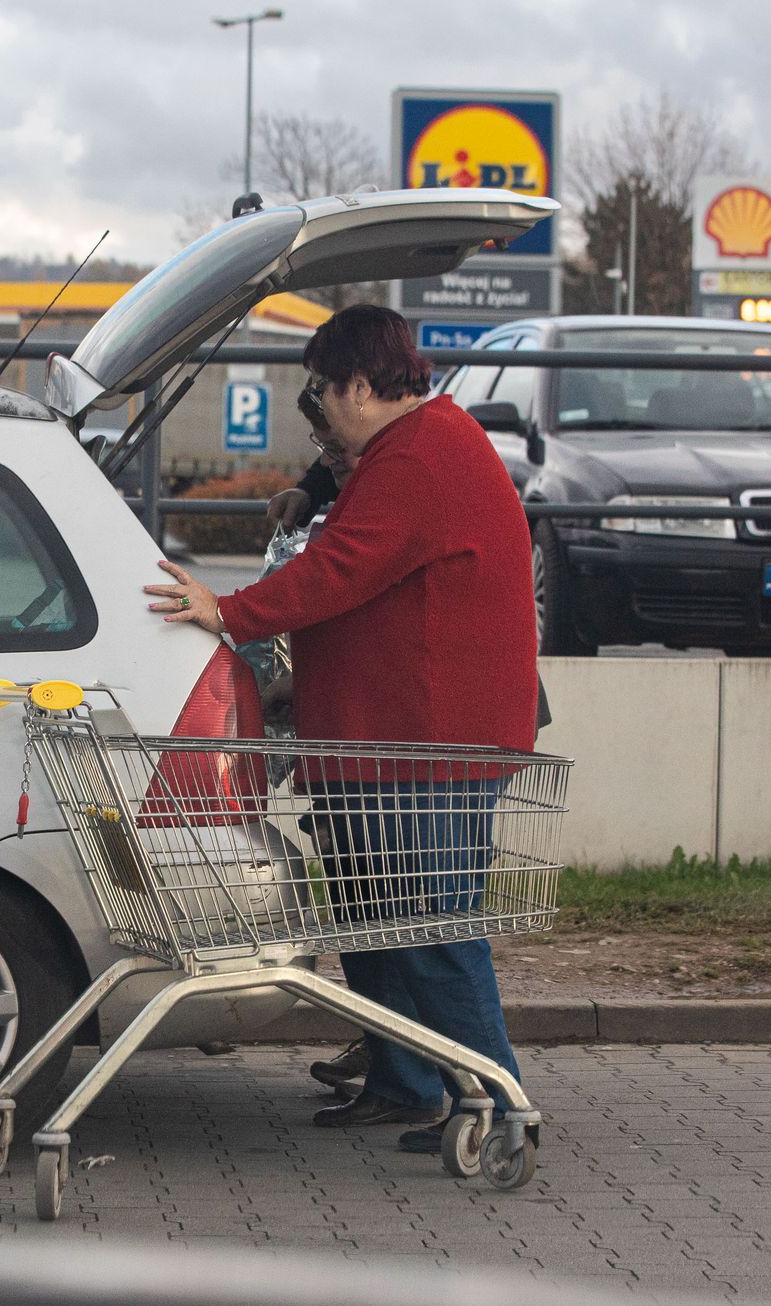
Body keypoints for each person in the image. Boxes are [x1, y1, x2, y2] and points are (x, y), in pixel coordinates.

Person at [142, 304, 537, 1156]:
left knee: (429, 928)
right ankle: (407, 1082)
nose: (318, 412)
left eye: (322, 394)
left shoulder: (422, 458)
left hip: (426, 747)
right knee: (372, 920)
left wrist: (229, 611)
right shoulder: (407, 446)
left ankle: (499, 1106)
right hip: (381, 737)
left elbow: (341, 568)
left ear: (363, 385)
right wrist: (315, 486)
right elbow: (352, 496)